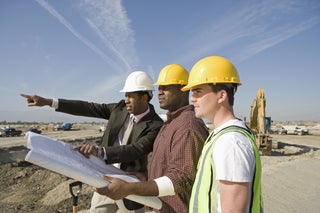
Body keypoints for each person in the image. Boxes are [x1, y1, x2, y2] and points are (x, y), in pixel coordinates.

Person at [20, 71, 164, 213]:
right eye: (125, 95)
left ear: (144, 97)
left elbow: (136, 149)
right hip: (104, 178)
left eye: (130, 96)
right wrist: (48, 102)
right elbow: (88, 107)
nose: (126, 99)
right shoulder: (119, 109)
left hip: (129, 184)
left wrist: (100, 151)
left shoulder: (155, 124)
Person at [94, 64, 209, 212]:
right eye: (159, 87)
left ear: (183, 89)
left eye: (166, 87)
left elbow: (181, 179)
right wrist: (146, 177)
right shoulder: (171, 123)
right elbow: (169, 167)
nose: (159, 92)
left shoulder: (186, 127)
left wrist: (130, 188)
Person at [180, 56, 263, 212]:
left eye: (198, 91)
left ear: (221, 95)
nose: (192, 98)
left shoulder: (231, 142)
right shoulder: (221, 136)